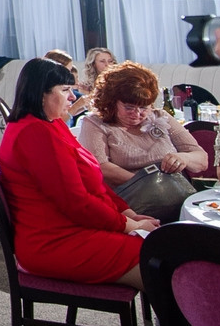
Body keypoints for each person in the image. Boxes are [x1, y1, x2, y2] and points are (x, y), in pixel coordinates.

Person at [0, 58, 157, 289]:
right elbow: (76, 203)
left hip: (71, 229)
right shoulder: (35, 133)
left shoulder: (51, 124)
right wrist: (129, 226)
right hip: (55, 242)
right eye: (65, 90)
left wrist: (129, 214)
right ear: (40, 94)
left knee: (165, 253)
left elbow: (94, 185)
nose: (72, 97)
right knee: (162, 258)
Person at [76, 60, 205, 220]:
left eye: (144, 107)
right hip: (130, 206)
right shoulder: (95, 123)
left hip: (176, 199)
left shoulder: (161, 117)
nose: (137, 114)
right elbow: (100, 167)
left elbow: (201, 158)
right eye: (129, 107)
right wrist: (151, 183)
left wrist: (183, 158)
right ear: (110, 102)